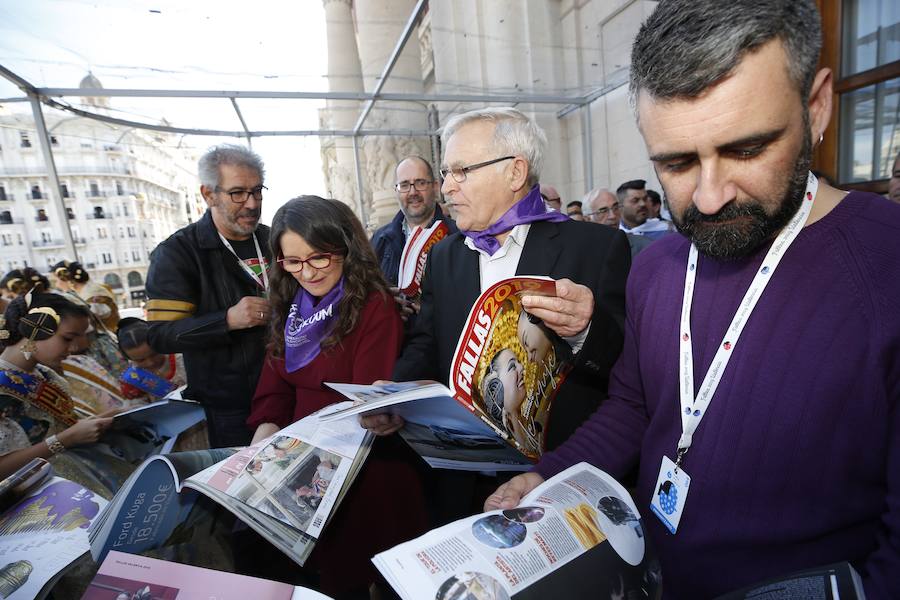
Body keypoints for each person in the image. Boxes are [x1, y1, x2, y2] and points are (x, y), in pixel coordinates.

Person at [485, 1, 900, 598]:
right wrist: (547, 477)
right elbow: (634, 407)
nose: (708, 198)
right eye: (676, 163)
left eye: (748, 149)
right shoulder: (654, 266)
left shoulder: (887, 269)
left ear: (816, 107)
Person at [363, 107, 630, 524]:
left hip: (559, 480)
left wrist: (585, 329)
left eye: (460, 171)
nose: (446, 187)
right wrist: (397, 396)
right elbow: (428, 342)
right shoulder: (445, 255)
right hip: (462, 481)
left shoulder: (595, 248)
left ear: (515, 172)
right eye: (445, 173)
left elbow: (627, 369)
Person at [246, 196, 427, 599]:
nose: (307, 273)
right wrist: (265, 433)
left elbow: (369, 399)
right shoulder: (289, 307)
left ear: (345, 250)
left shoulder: (371, 305)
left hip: (365, 465)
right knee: (331, 582)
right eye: (292, 262)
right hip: (305, 465)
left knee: (377, 578)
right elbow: (274, 387)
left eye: (319, 259)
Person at [145, 144, 271, 448]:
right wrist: (226, 320)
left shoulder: (275, 238)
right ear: (208, 193)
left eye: (257, 191)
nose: (252, 203)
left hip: (290, 389)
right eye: (238, 193)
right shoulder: (177, 253)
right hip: (232, 408)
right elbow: (161, 335)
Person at [0, 292, 132, 496]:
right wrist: (65, 439)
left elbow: (58, 429)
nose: (74, 348)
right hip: (43, 496)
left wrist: (96, 421)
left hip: (79, 475)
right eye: (67, 338)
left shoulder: (45, 373)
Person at [370, 156, 456, 322]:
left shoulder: (458, 235)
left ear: (436, 187)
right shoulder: (379, 241)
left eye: (420, 182)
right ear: (396, 191)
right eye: (404, 185)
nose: (412, 192)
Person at [117, 318, 187, 401]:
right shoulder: (132, 379)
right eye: (141, 360)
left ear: (161, 344)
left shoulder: (184, 360)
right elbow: (137, 406)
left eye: (154, 354)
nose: (150, 363)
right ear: (129, 358)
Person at [51, 260, 121, 332]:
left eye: (56, 280)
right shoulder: (86, 292)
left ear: (66, 279)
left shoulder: (93, 294)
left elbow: (87, 324)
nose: (57, 285)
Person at [583, 187, 654, 257]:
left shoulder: (645, 246)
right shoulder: (579, 252)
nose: (612, 216)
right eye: (603, 211)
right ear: (587, 219)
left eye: (616, 208)